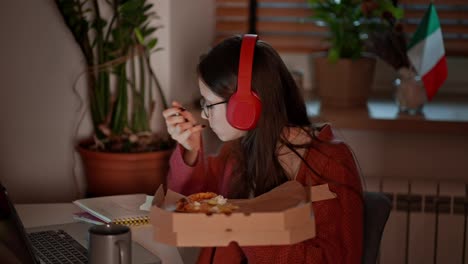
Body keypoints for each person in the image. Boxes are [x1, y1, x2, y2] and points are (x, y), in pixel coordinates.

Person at [162, 35, 363, 263]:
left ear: (244, 107)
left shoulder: (330, 162)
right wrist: (190, 150)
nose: (206, 115)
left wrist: (246, 226)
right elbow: (187, 207)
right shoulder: (238, 150)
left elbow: (335, 259)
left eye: (209, 104)